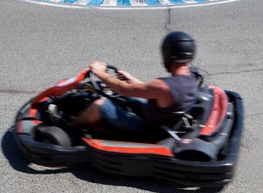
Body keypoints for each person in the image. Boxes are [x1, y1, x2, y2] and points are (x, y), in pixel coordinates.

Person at [69, 31, 199, 132]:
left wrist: (100, 73)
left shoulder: (164, 86)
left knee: (100, 105)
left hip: (147, 129)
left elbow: (123, 89)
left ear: (167, 54)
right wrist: (130, 79)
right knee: (121, 96)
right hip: (161, 120)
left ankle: (73, 124)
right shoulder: (191, 77)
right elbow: (151, 90)